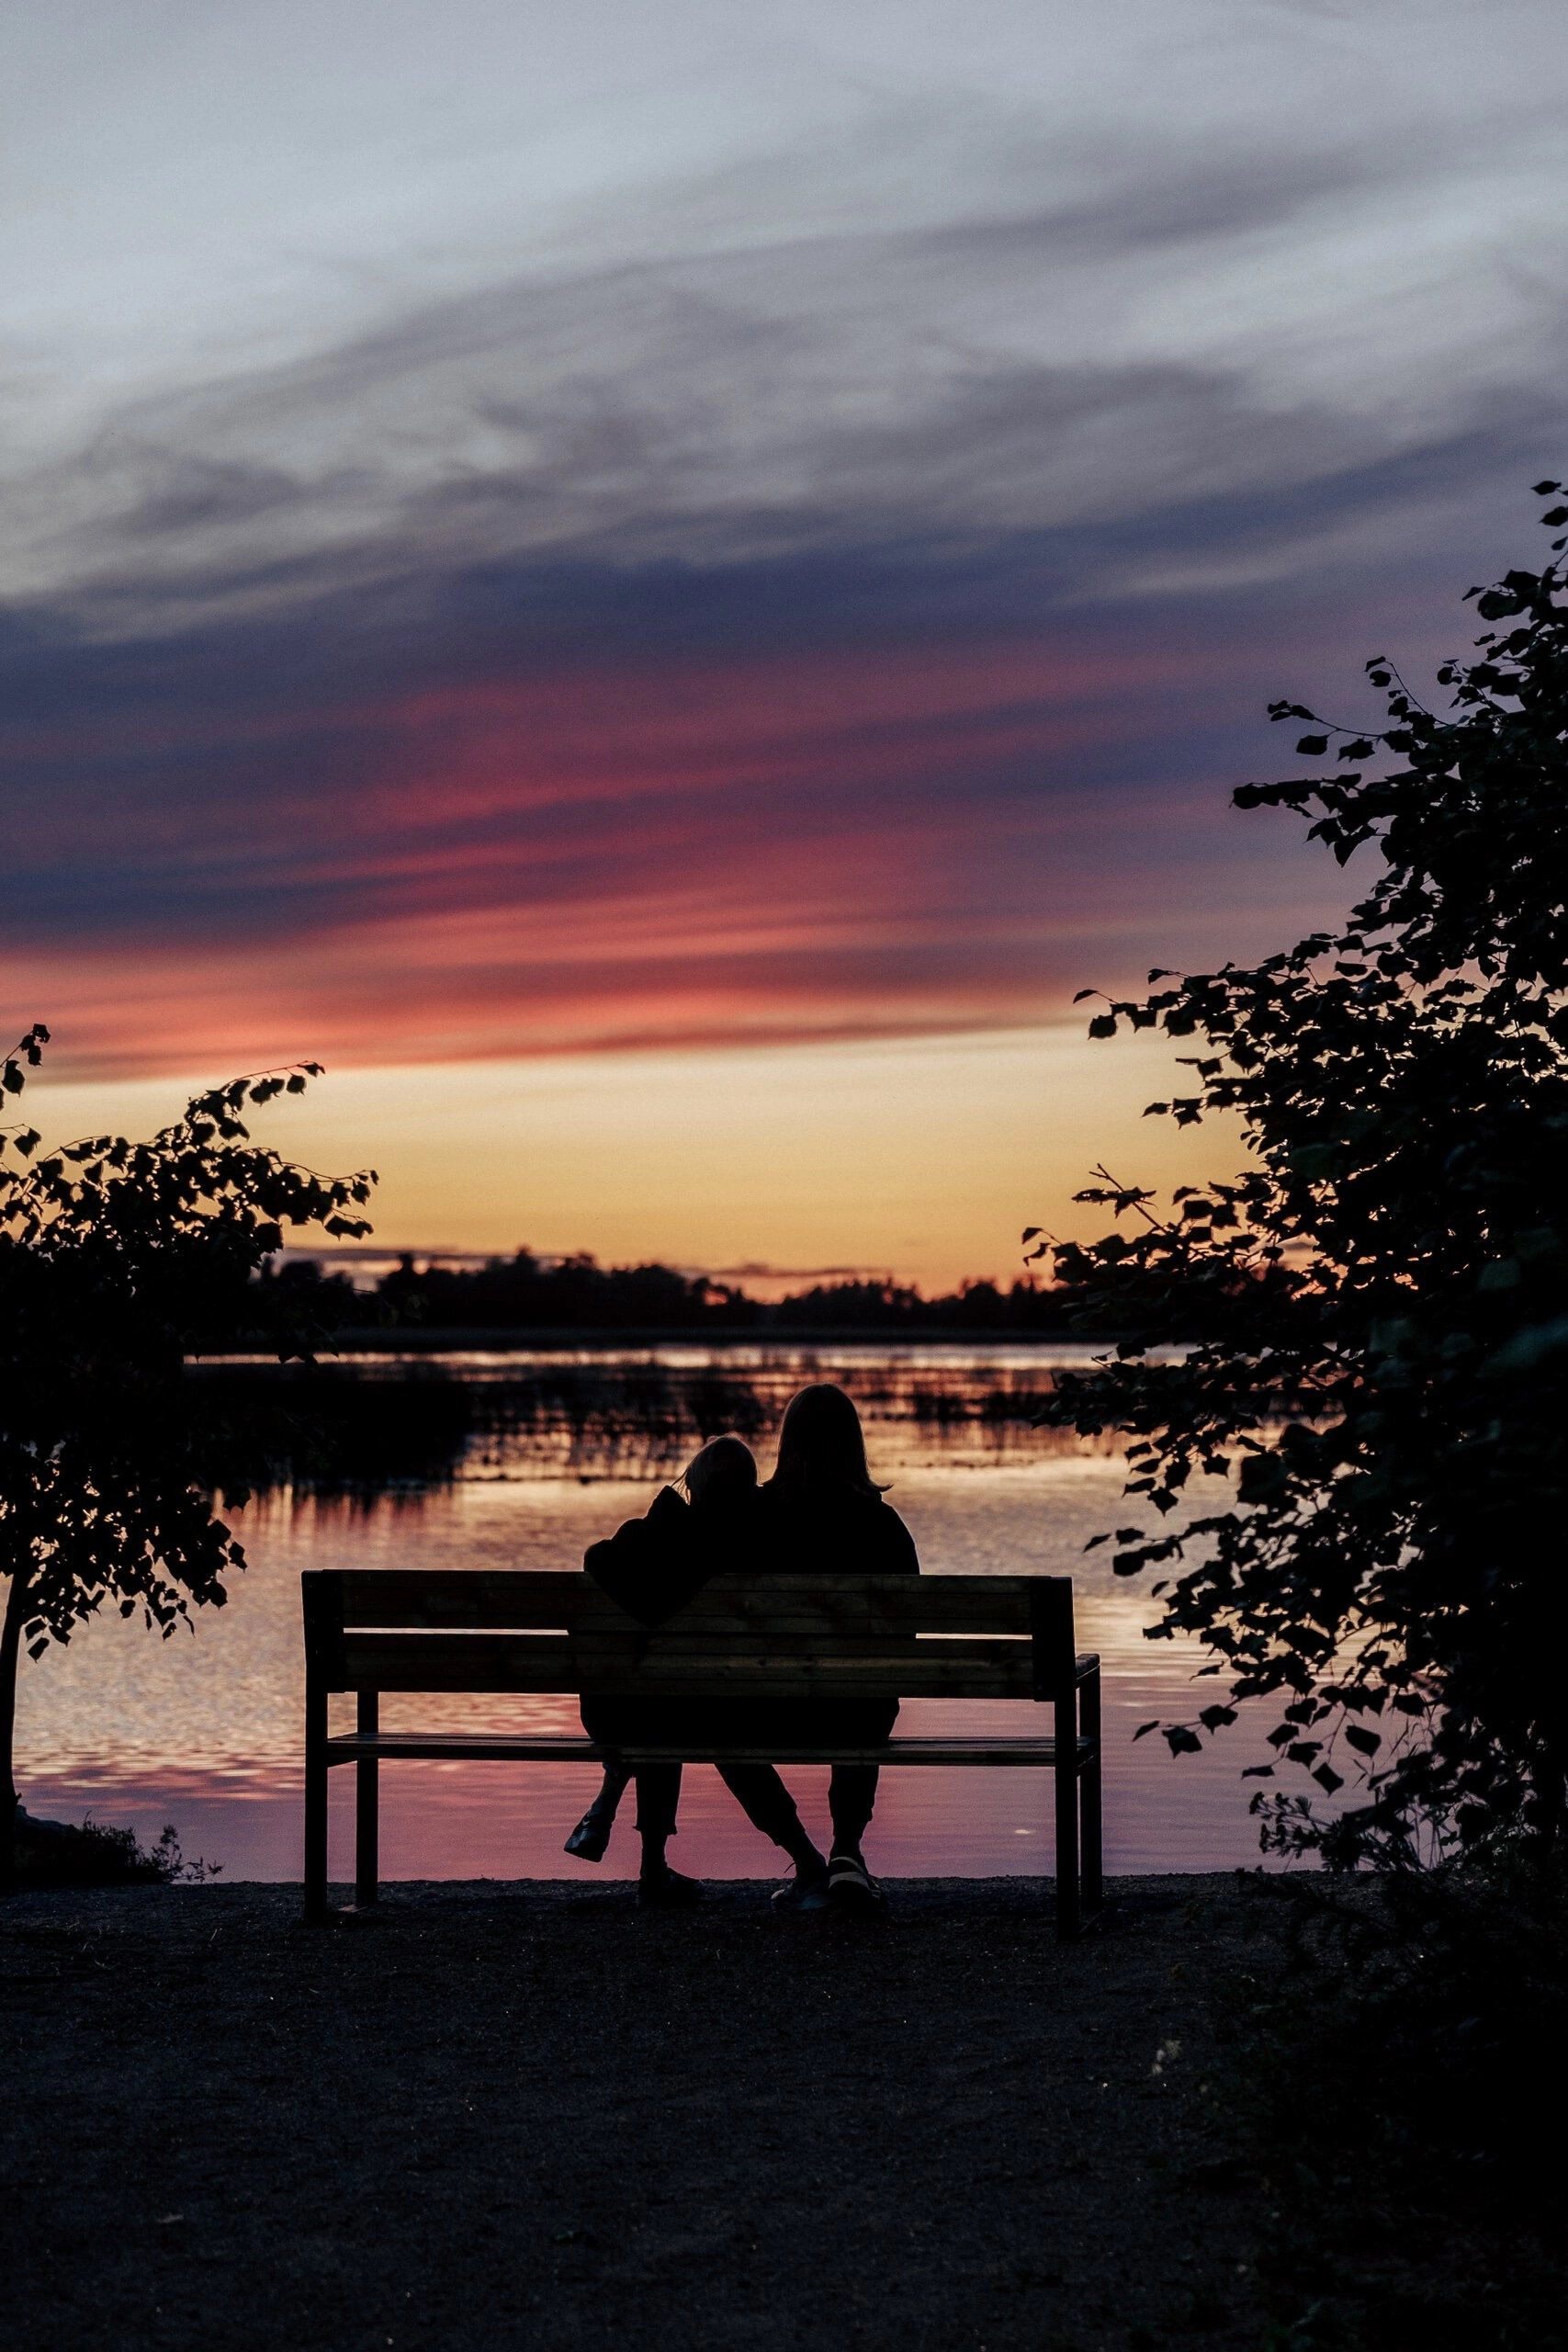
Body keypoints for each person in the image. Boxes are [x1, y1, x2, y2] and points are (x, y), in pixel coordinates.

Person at [570, 1435, 831, 1907]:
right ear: (748, 1492)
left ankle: (645, 1860)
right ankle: (808, 1861)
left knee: (664, 1707)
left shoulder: (647, 1538)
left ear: (692, 1485)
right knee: (704, 1721)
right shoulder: (755, 1549)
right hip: (718, 1712)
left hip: (622, 1715)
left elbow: (594, 1559)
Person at [759, 1383, 919, 1913]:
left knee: (716, 1729)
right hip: (858, 1710)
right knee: (867, 1694)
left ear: (788, 1442)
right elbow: (907, 1633)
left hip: (769, 1710)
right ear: (854, 1443)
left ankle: (806, 1861)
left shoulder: (754, 1518)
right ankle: (846, 1853)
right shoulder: (881, 1524)